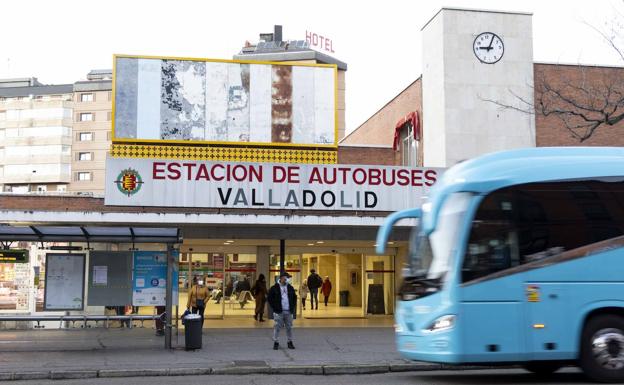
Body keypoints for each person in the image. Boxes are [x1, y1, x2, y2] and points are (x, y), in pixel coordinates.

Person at [267, 272, 297, 350]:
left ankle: (289, 342)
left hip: (288, 311)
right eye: (286, 278)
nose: (287, 279)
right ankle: (276, 342)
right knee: (277, 327)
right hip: (279, 311)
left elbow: (294, 298)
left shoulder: (290, 287)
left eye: (288, 278)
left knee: (289, 327)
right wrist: (275, 307)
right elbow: (270, 298)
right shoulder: (274, 288)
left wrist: (292, 307)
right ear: (282, 278)